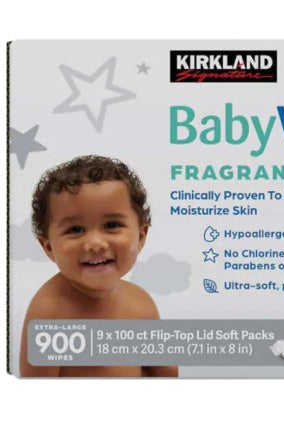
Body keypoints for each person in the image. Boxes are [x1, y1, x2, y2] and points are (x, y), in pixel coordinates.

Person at [19, 155, 178, 377]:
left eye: (112, 225)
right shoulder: (50, 313)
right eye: (75, 229)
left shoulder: (140, 303)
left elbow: (166, 373)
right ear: (48, 247)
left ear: (141, 236)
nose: (95, 243)